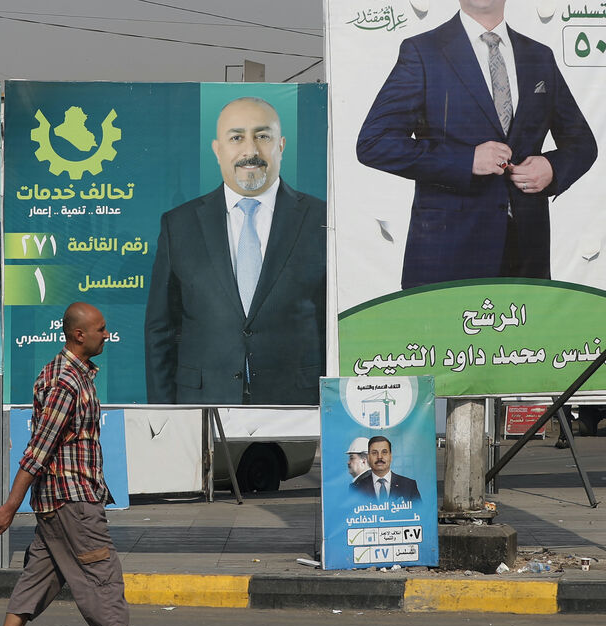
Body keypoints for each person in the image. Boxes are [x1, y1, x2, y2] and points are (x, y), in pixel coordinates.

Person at [0, 302, 178, 626]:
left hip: (63, 499)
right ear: (79, 335)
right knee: (103, 574)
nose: (108, 335)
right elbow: (39, 449)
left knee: (40, 577)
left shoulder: (72, 375)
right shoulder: (66, 382)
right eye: (102, 329)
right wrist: (9, 505)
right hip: (71, 500)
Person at [356, 0, 597, 288]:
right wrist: (464, 160)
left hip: (526, 255)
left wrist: (552, 167)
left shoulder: (539, 56)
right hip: (448, 254)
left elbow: (582, 143)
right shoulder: (423, 51)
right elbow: (374, 142)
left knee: (523, 335)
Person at [144, 96, 326, 406]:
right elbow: (161, 330)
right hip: (202, 405)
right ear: (218, 149)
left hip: (296, 404)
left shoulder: (323, 220)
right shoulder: (179, 225)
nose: (250, 150)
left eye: (262, 136)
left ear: (281, 144)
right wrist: (165, 416)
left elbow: (331, 325)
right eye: (236, 137)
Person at [350, 435, 421, 502]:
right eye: (374, 453)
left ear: (390, 456)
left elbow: (419, 513)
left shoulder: (409, 486)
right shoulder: (356, 489)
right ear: (368, 457)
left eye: (384, 452)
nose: (379, 457)